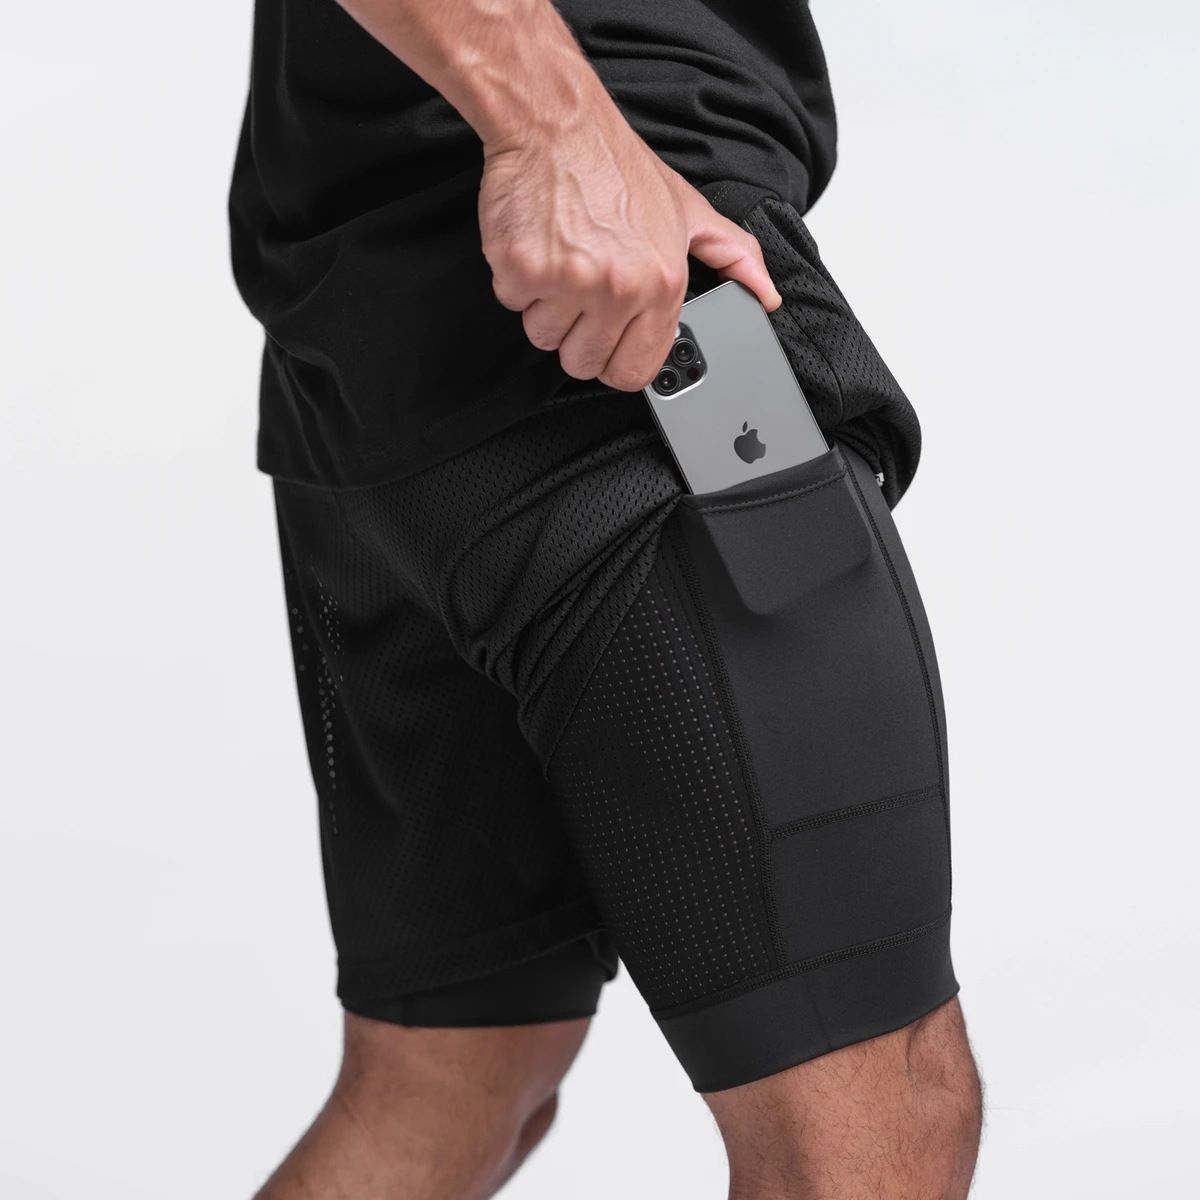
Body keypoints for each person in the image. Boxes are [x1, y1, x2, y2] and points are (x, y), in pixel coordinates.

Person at [229, 0, 983, 1195]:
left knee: (456, 1083)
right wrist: (553, 127)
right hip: (611, 302)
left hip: (371, 340)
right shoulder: (571, 160)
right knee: (873, 1107)